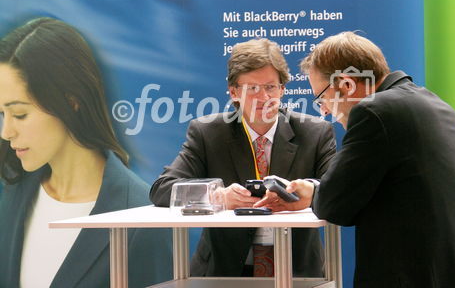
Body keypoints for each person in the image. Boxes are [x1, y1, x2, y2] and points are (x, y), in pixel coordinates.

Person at [258, 31, 455, 287]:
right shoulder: (436, 105)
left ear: (346, 84)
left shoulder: (374, 112)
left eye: (322, 98)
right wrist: (316, 189)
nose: (325, 110)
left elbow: (334, 205)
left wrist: (316, 192)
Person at [0, 17, 172, 288]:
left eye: (20, 114)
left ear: (71, 101)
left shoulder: (141, 219)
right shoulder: (13, 193)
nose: (6, 131)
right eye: (2, 114)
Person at [150, 38, 336, 277]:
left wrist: (308, 190)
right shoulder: (208, 132)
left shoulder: (315, 132)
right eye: (252, 89)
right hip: (223, 270)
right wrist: (217, 198)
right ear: (234, 92)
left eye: (270, 87)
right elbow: (162, 189)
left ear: (282, 89)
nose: (262, 97)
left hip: (296, 269)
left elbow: (337, 190)